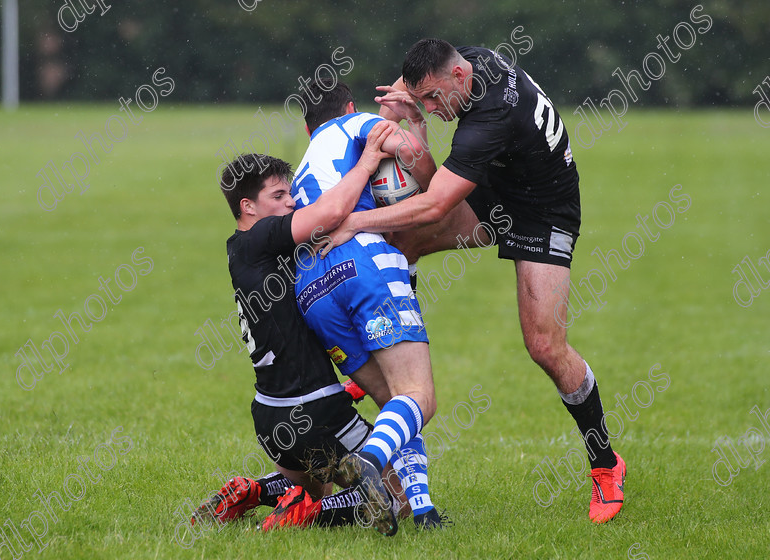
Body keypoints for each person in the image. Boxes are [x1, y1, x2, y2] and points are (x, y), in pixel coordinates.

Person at [325, 39, 626, 524]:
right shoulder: (467, 61)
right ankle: (391, 357)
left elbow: (435, 200)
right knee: (403, 243)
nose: (432, 108)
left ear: (460, 79)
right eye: (424, 99)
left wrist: (355, 222)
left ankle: (607, 465)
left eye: (434, 99)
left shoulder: (489, 119)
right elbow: (418, 81)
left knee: (545, 347)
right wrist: (402, 104)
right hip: (499, 188)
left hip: (543, 212)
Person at [194, 123, 411, 534]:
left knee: (315, 484)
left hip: (270, 416)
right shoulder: (260, 238)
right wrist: (366, 162)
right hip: (313, 410)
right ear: (248, 207)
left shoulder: (247, 253)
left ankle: (254, 491)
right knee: (394, 497)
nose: (292, 203)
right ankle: (305, 516)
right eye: (278, 196)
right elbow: (330, 214)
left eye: (290, 193)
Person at [289, 79, 446, 534]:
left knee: (395, 405)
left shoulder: (305, 163)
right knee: (419, 397)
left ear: (306, 128)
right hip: (363, 262)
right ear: (351, 107)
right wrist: (418, 138)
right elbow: (410, 154)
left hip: (312, 288)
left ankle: (422, 510)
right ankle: (368, 464)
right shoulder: (357, 122)